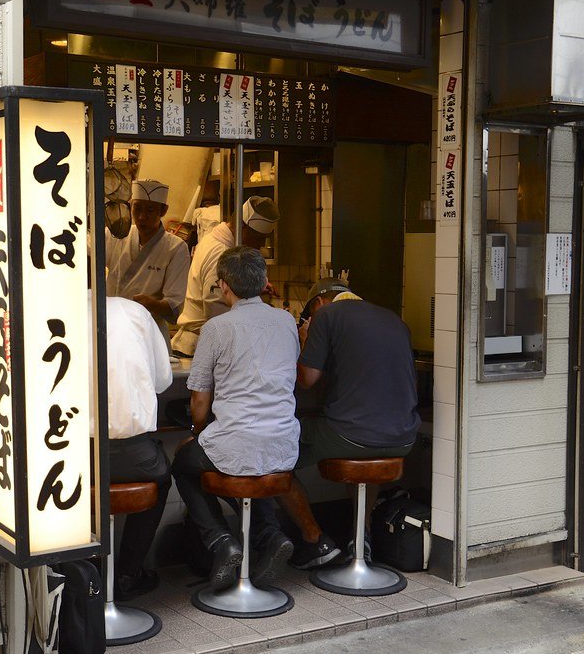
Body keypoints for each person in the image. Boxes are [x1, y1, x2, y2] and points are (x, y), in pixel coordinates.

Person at [171, 246, 299, 590]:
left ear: (223, 286)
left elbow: (199, 400)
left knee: (186, 463)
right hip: (284, 446)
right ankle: (269, 535)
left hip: (236, 444)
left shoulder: (216, 328)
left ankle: (221, 542)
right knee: (247, 462)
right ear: (265, 282)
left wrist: (197, 433)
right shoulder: (287, 321)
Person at [279, 278, 421, 569]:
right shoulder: (394, 319)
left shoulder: (326, 316)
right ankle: (362, 537)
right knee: (366, 452)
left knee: (270, 451)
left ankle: (314, 540)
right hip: (403, 437)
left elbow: (306, 379)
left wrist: (306, 339)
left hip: (350, 435)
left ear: (319, 303)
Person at [103, 296, 174, 600]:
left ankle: (89, 579)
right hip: (135, 452)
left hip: (74, 456)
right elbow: (162, 381)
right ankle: (128, 575)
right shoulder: (134, 312)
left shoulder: (52, 310)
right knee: (162, 478)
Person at [171, 195, 279, 357]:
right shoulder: (220, 252)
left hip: (210, 343)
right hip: (198, 348)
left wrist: (250, 291)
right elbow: (215, 306)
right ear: (242, 228)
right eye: (258, 238)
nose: (260, 246)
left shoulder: (217, 241)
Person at [105, 179, 190, 344]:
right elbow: (86, 254)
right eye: (137, 208)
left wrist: (149, 304)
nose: (142, 217)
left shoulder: (176, 248)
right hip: (113, 327)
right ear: (130, 206)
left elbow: (173, 307)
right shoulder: (115, 234)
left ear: (163, 210)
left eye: (150, 210)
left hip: (149, 333)